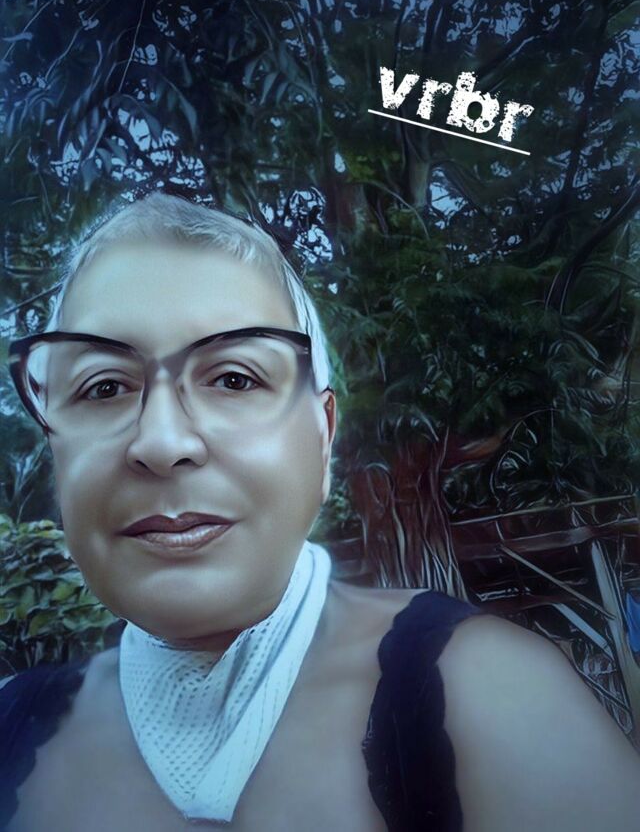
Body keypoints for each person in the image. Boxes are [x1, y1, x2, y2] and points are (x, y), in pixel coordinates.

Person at [1, 193, 639, 832]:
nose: (163, 443)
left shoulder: (487, 695)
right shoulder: (15, 727)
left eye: (234, 378)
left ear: (324, 437)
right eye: (103, 387)